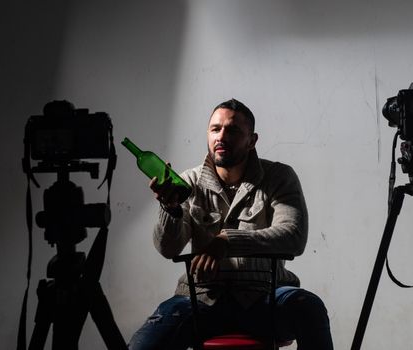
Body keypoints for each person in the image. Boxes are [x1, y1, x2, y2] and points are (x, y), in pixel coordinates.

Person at [129, 99, 333, 349]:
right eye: (215, 129)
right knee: (144, 344)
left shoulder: (279, 177)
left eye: (233, 130)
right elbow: (168, 249)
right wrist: (169, 209)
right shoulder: (187, 182)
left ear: (252, 140)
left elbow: (293, 236)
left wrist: (226, 241)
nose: (221, 136)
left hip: (265, 298)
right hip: (200, 300)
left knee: (309, 308)